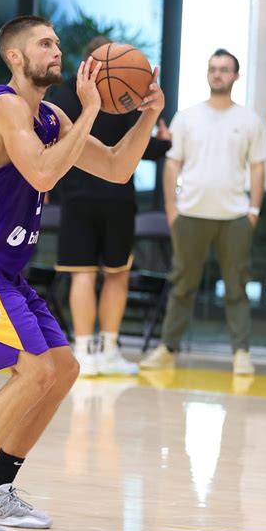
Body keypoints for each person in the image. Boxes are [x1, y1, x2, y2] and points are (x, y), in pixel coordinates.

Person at [0, 15, 164, 531]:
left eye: (57, 43)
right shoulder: (3, 106)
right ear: (15, 56)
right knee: (33, 371)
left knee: (62, 368)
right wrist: (93, 110)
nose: (57, 51)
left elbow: (119, 168)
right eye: (45, 44)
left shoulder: (49, 116)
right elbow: (46, 174)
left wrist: (147, 116)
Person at [139, 48, 266, 375]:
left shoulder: (250, 120)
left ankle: (241, 353)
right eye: (213, 68)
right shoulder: (187, 117)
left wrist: (253, 209)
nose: (218, 74)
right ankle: (167, 349)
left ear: (236, 76)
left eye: (225, 69)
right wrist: (172, 208)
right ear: (208, 73)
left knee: (237, 286)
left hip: (235, 217)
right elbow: (172, 165)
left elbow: (257, 168)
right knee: (182, 284)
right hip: (191, 214)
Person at [50, 36, 171, 377]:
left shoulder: (63, 99)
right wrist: (164, 144)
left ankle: (85, 351)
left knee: (83, 276)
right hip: (117, 199)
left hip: (76, 198)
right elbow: (144, 149)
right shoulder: (130, 97)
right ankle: (109, 348)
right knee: (116, 275)